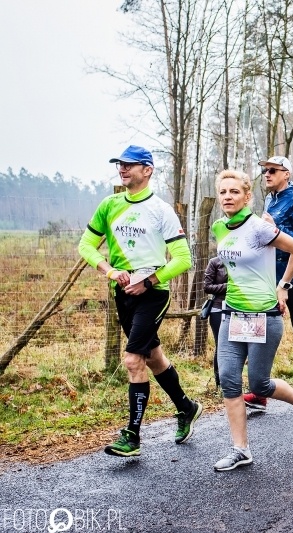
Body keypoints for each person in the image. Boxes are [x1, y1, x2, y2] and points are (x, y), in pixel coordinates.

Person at [78, 145, 200, 457]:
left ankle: (132, 435)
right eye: (120, 163)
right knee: (155, 356)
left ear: (147, 170)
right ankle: (186, 408)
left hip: (153, 293)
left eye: (130, 165)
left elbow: (184, 259)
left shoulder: (161, 210)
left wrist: (148, 281)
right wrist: (109, 270)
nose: (123, 168)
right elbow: (86, 245)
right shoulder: (109, 205)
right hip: (123, 293)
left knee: (134, 359)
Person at [211, 169, 293, 471]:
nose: (228, 197)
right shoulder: (219, 227)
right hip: (233, 313)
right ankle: (240, 449)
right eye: (223, 192)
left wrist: (283, 285)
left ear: (247, 196)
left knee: (259, 383)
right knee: (229, 380)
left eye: (234, 191)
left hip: (264, 315)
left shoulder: (259, 227)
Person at [241, 155, 293, 411]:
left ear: (286, 174)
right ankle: (260, 389)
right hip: (269, 276)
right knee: (263, 331)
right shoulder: (270, 198)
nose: (267, 174)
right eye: (265, 171)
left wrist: (275, 226)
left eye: (273, 171)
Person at [203, 256, 227, 388]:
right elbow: (207, 287)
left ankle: (234, 381)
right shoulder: (215, 262)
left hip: (238, 308)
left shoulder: (242, 260)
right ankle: (220, 383)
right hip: (218, 308)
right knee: (221, 345)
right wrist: (228, 287)